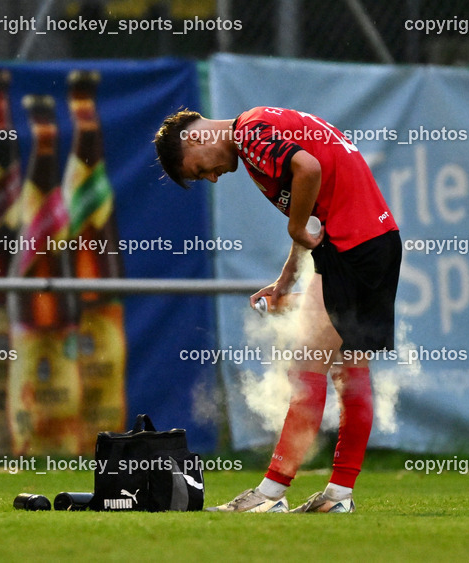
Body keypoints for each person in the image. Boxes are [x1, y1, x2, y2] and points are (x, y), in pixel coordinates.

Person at [153, 107, 401, 513]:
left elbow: (308, 169)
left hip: (351, 246)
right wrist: (288, 274)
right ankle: (338, 496)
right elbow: (313, 206)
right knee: (349, 369)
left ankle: (270, 495)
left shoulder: (249, 133)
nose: (212, 177)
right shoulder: (259, 128)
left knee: (306, 366)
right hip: (376, 240)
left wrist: (294, 227)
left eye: (200, 171)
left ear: (194, 139)